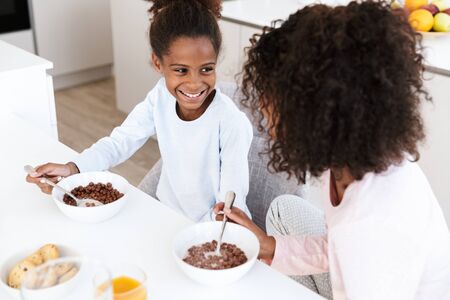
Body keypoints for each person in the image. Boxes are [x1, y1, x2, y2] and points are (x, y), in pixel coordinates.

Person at [214, 1, 450, 299]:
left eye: (271, 97)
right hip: (358, 262)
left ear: (312, 110)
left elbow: (352, 246)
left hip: (375, 278)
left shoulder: (373, 226)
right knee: (285, 209)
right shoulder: (348, 162)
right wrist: (266, 245)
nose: (261, 106)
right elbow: (335, 246)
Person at [26, 0, 253, 222]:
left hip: (211, 229)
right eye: (181, 70)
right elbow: (120, 142)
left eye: (206, 69)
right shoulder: (161, 97)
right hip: (165, 213)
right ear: (158, 63)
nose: (194, 83)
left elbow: (231, 204)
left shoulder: (231, 123)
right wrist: (72, 169)